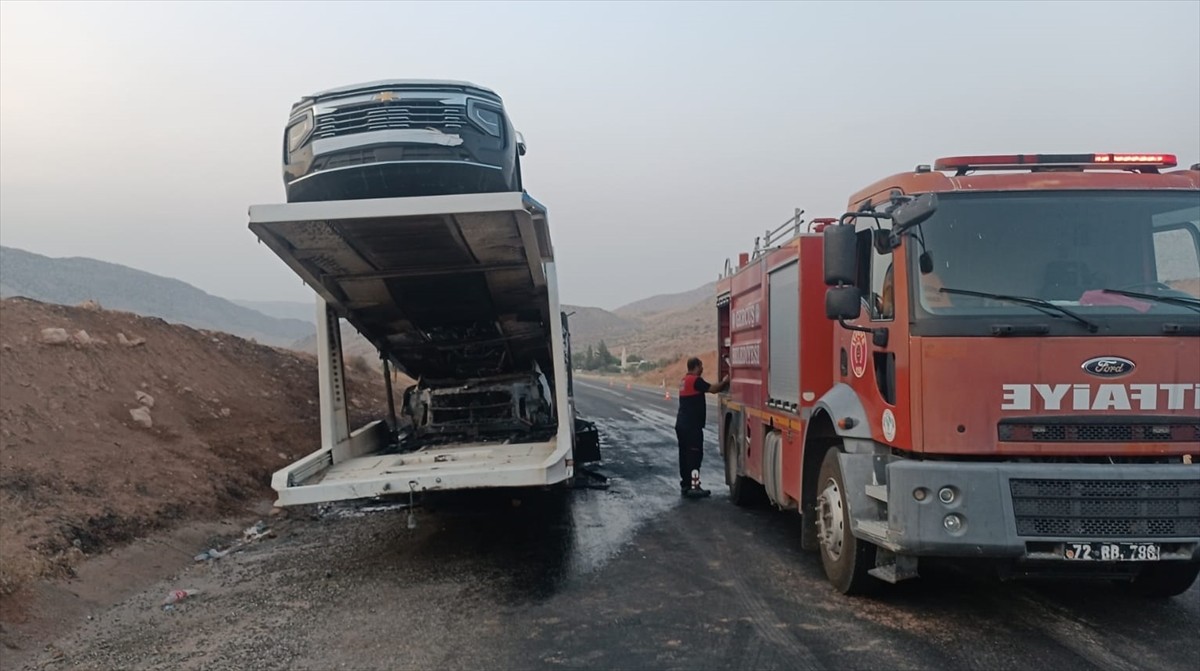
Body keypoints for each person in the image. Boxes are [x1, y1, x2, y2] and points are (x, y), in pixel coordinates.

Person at [675, 357, 729, 498]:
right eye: (701, 366)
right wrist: (725, 382)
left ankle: (686, 484)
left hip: (681, 424)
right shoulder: (695, 380)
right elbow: (713, 389)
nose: (703, 369)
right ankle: (694, 486)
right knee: (695, 455)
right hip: (692, 426)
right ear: (696, 366)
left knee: (684, 456)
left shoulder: (683, 380)